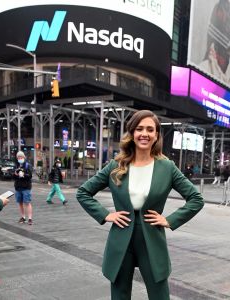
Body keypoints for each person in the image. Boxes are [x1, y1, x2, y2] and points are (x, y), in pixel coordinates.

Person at [76, 110, 204, 300]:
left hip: (151, 237)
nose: (144, 134)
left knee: (159, 295)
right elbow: (83, 192)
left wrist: (169, 220)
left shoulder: (167, 167)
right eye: (139, 129)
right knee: (119, 294)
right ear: (132, 133)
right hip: (121, 237)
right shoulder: (116, 166)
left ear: (156, 135)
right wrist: (105, 215)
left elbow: (196, 198)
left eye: (150, 130)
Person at [13, 151, 33, 225]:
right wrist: (15, 174)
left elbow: (30, 176)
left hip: (26, 187)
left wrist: (24, 174)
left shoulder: (28, 165)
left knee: (27, 202)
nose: (20, 158)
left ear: (24, 157)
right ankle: (23, 217)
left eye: (21, 157)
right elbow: (14, 177)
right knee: (20, 203)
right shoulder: (16, 166)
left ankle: (30, 218)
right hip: (18, 187)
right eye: (18, 157)